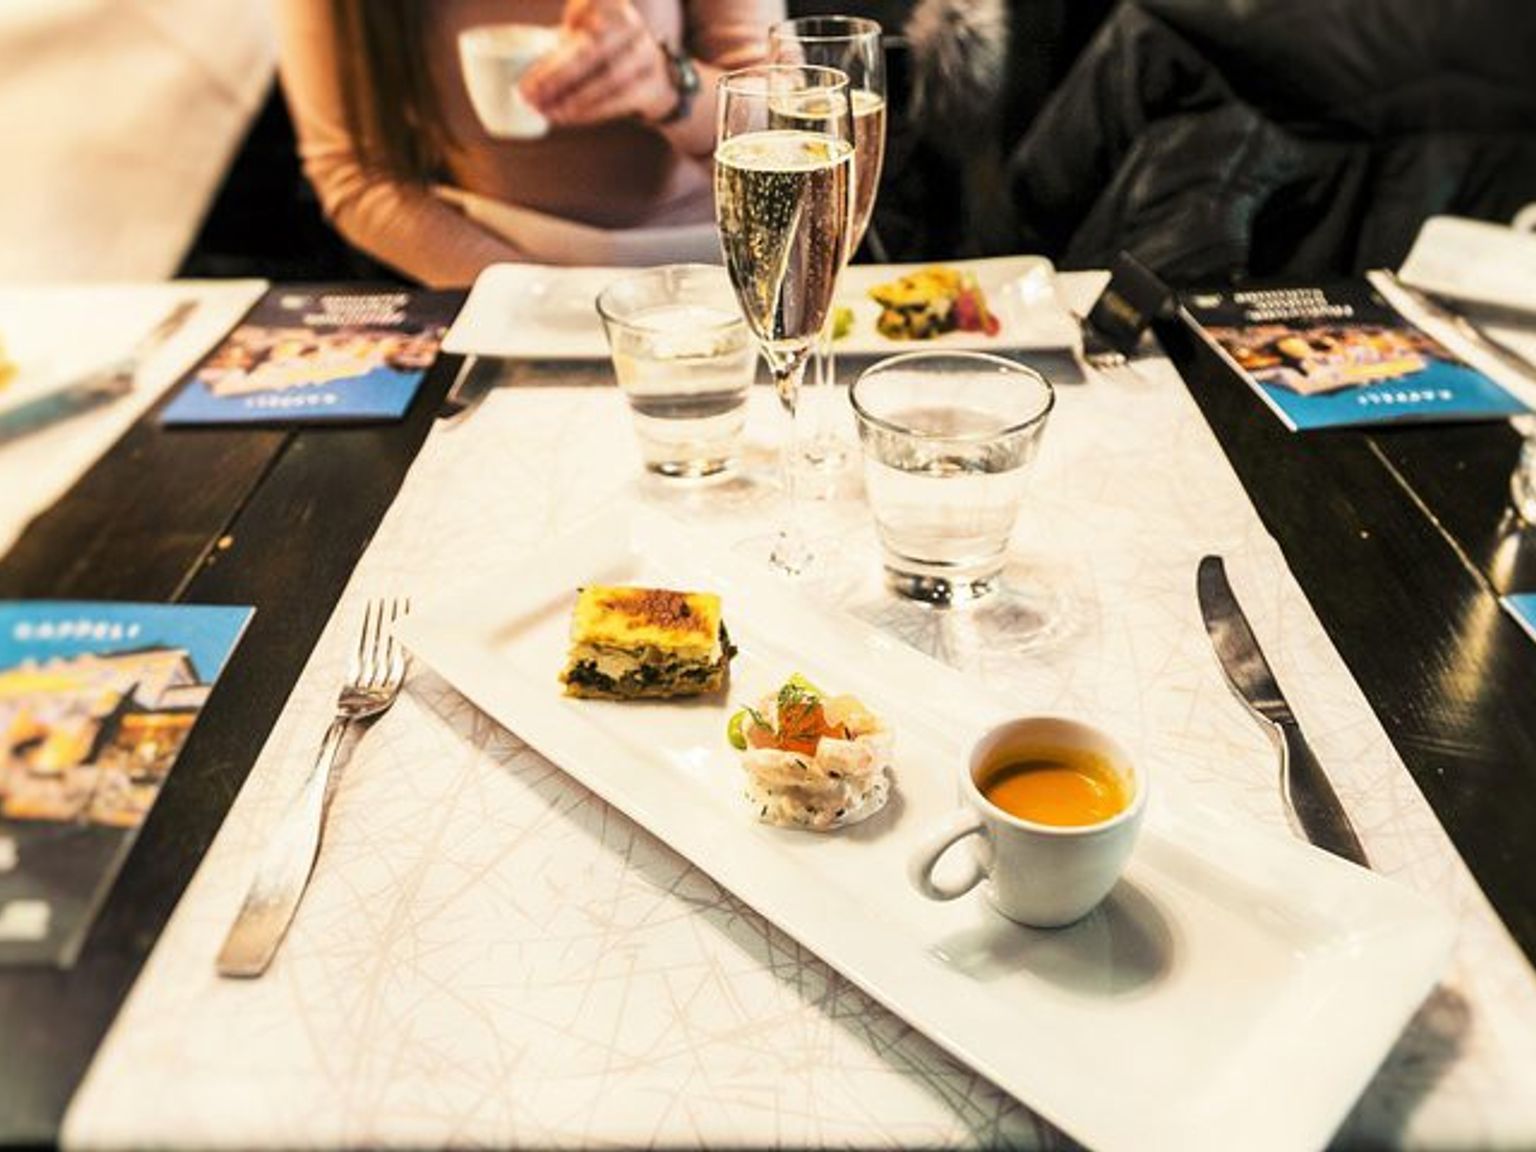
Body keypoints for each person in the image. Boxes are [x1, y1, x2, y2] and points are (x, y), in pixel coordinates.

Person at [275, 0, 781, 287]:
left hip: (714, 266)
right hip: (490, 271)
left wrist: (668, 86)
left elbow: (781, 124)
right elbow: (356, 172)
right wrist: (529, 295)